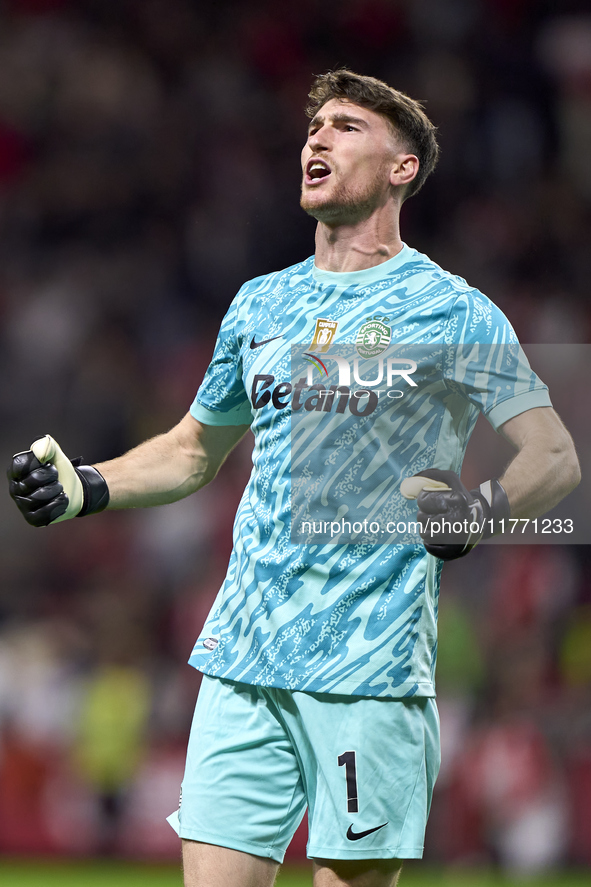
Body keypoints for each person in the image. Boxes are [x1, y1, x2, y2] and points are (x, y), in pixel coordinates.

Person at [7, 69, 580, 887]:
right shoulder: (257, 306)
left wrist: (478, 510)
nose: (316, 137)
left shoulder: (453, 310)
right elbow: (191, 450)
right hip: (242, 659)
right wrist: (88, 485)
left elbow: (554, 456)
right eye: (314, 125)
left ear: (401, 167)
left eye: (346, 127)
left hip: (367, 671)